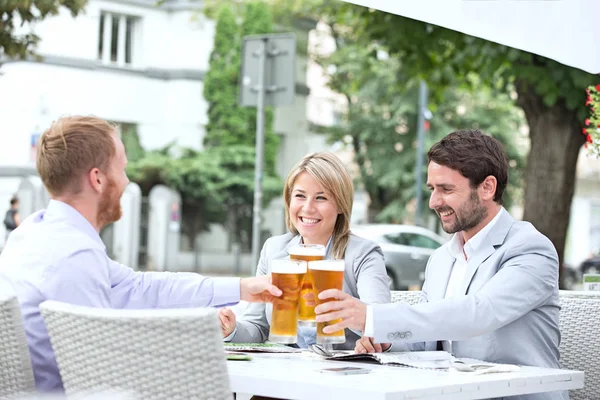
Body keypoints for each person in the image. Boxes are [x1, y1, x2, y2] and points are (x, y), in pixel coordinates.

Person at [0, 116, 281, 393]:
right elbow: (97, 373)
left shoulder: (34, 231)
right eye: (122, 169)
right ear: (98, 179)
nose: (126, 181)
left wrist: (241, 288)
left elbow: (141, 287)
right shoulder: (75, 256)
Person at [314, 130, 565, 400]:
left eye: (446, 189)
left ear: (487, 188)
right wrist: (387, 341)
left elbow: (479, 313)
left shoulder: (530, 249)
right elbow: (426, 342)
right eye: (432, 189)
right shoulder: (442, 258)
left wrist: (374, 318)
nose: (434, 202)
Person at [219, 152, 390, 349]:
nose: (308, 208)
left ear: (341, 205)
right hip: (287, 368)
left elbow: (380, 322)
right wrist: (230, 329)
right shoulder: (274, 249)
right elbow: (257, 327)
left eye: (321, 197)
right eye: (300, 196)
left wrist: (364, 329)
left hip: (340, 372)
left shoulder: (363, 254)